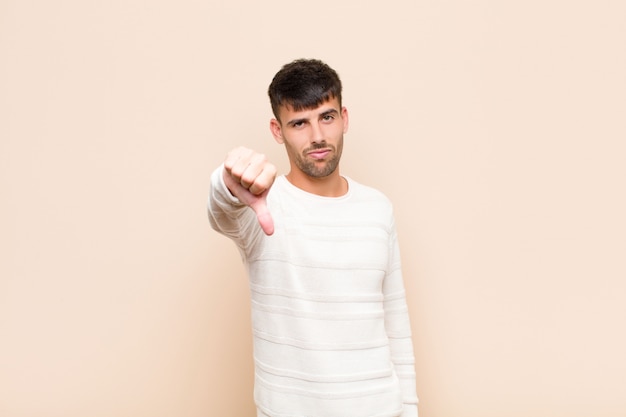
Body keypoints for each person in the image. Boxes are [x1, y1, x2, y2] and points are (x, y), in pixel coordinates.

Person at [208, 58, 418, 417]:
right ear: (277, 131)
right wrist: (225, 183)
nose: (317, 136)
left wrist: (410, 410)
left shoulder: (378, 208)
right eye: (299, 123)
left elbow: (396, 325)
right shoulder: (261, 205)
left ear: (344, 118)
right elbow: (222, 208)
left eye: (327, 117)